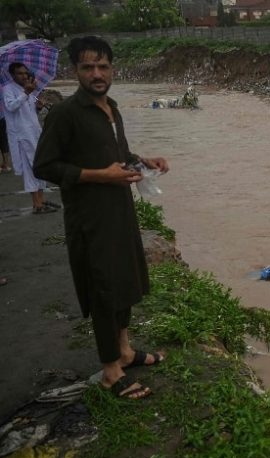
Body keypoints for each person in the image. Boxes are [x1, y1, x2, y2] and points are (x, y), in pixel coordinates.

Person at [34, 36, 169, 400]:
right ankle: (110, 370)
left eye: (103, 66)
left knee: (125, 280)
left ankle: (124, 351)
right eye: (88, 67)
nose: (97, 74)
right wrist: (99, 176)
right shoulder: (65, 115)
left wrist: (144, 160)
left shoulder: (112, 107)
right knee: (103, 289)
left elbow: (117, 153)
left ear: (112, 68)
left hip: (120, 211)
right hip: (89, 218)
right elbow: (43, 165)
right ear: (75, 70)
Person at [3, 63, 57, 214]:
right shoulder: (9, 89)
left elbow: (29, 112)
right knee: (31, 169)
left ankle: (41, 200)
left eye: (25, 73)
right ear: (12, 75)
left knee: (40, 165)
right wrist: (25, 93)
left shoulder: (27, 89)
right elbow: (11, 106)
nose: (24, 76)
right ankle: (37, 204)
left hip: (35, 133)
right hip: (22, 136)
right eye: (20, 73)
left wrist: (38, 107)